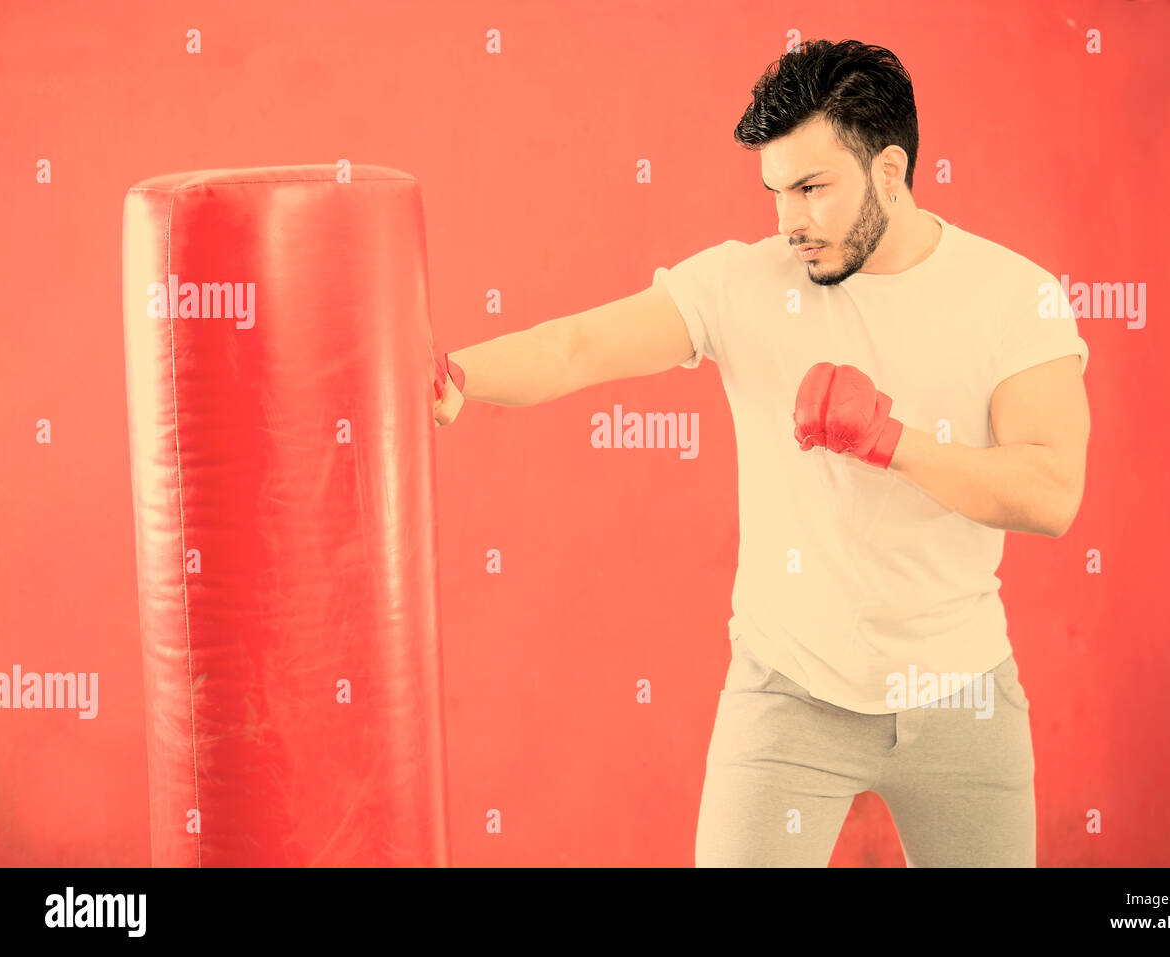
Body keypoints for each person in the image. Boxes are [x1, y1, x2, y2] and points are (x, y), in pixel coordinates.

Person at [433, 39, 1090, 868]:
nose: (789, 222)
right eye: (776, 192)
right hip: (789, 694)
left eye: (812, 188)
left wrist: (893, 444)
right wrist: (457, 374)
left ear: (891, 171)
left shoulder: (1013, 296)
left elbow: (1051, 490)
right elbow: (577, 347)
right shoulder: (742, 284)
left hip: (961, 692)